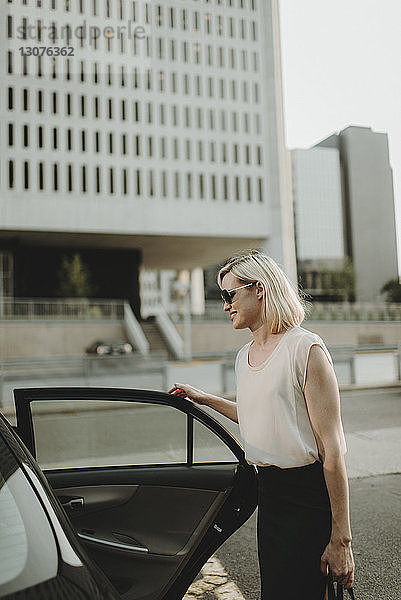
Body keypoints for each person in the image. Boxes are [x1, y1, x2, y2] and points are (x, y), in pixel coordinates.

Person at [169, 250, 354, 600]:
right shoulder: (245, 356)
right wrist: (205, 398)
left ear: (261, 289)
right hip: (270, 497)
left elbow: (332, 451)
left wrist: (341, 539)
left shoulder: (305, 348)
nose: (225, 305)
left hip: (307, 499)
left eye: (230, 294)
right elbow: (260, 416)